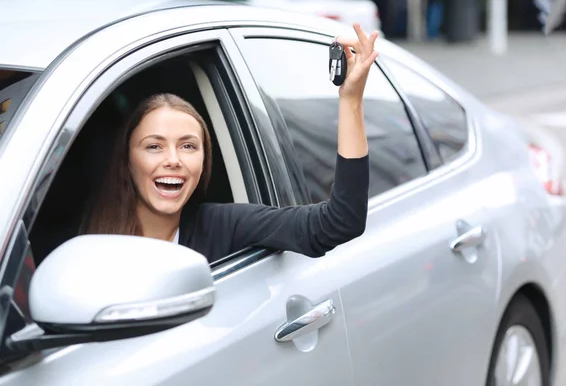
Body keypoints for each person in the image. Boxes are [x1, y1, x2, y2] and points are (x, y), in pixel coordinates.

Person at [83, 23, 379, 263]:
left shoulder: (222, 225)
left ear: (204, 161)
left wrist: (350, 100)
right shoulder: (87, 242)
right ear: (127, 160)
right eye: (154, 146)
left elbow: (340, 222)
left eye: (188, 146)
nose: (173, 159)